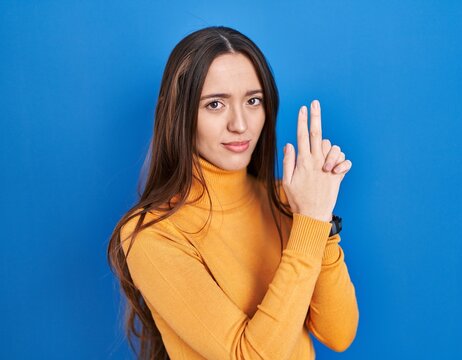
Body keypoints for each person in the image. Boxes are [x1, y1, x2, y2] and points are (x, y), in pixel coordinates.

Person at [107, 25, 359, 359]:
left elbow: (339, 333)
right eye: (215, 105)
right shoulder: (153, 234)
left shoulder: (289, 202)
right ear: (179, 114)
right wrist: (309, 223)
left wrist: (319, 220)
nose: (240, 124)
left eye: (253, 100)